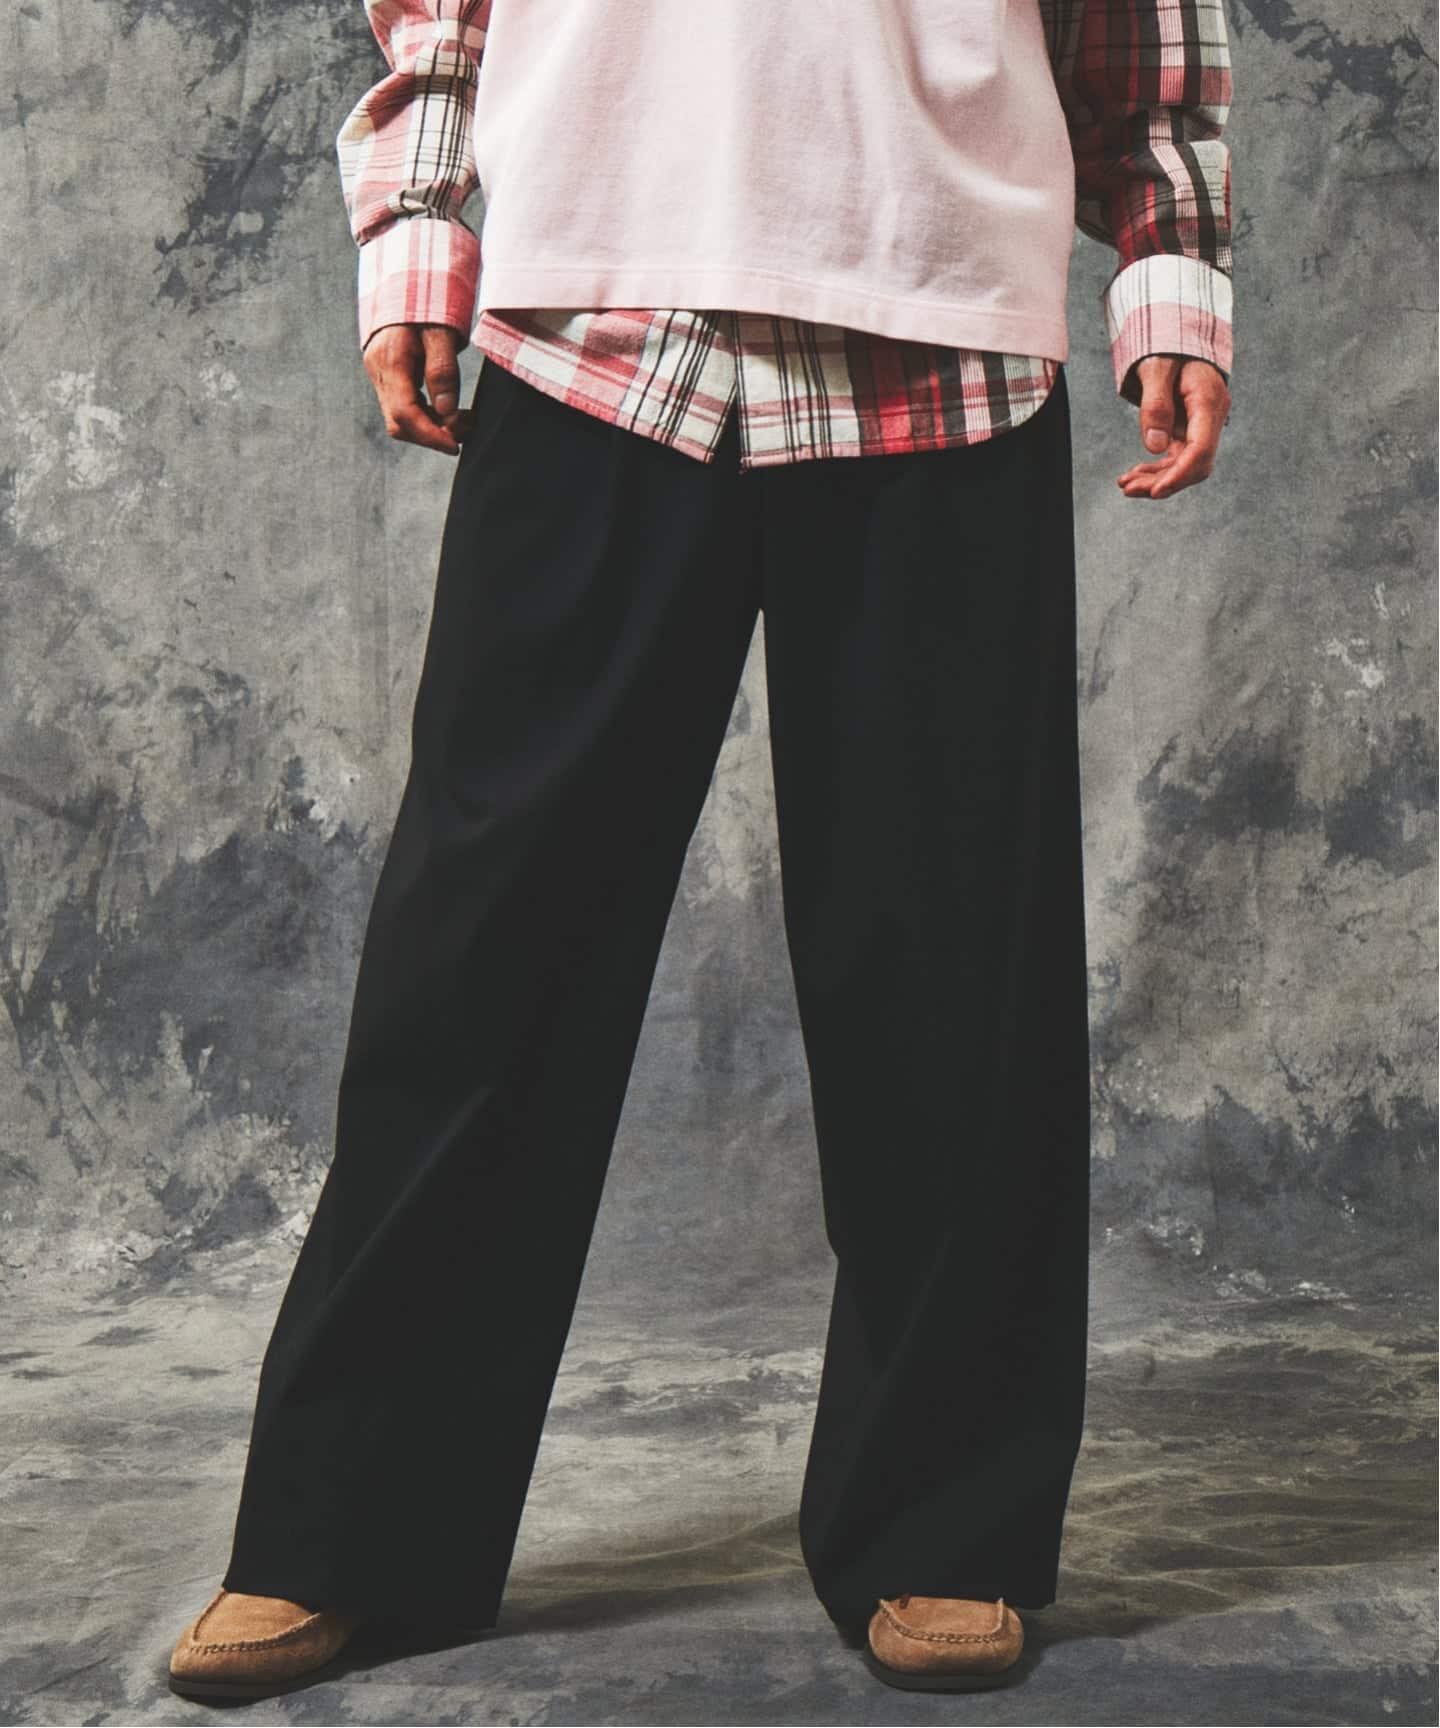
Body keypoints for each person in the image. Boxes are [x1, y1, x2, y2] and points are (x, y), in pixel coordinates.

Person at [167, 0, 1234, 1701]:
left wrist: (1170, 264)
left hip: (937, 321)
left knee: (951, 962)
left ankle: (944, 1523)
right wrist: (418, 233)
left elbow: (1139, 34)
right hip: (600, 311)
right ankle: (345, 1531)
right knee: (478, 958)